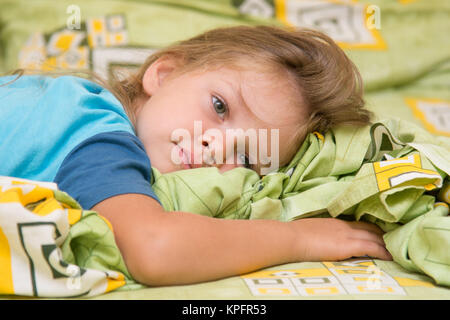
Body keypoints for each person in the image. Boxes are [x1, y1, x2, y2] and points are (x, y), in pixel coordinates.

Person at [0, 25, 392, 286]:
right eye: (220, 107)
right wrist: (300, 239)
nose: (216, 147)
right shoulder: (96, 136)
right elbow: (153, 248)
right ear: (164, 74)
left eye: (245, 159)